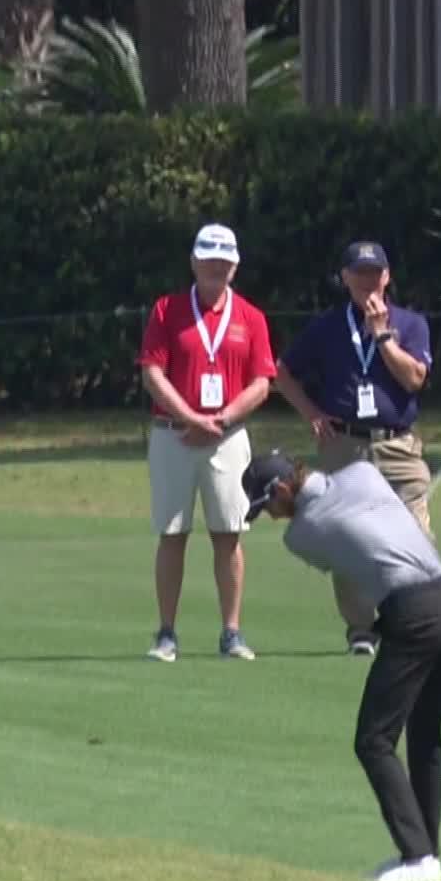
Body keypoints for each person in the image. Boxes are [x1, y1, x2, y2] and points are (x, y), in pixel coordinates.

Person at [241, 448, 441, 881]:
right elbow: (354, 487)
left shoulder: (301, 536)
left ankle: (418, 856)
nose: (272, 518)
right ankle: (428, 856)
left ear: (284, 488)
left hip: (417, 616)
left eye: (268, 506)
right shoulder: (365, 472)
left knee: (373, 740)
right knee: (425, 732)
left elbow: (332, 548)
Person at [272, 240, 436, 657]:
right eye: (359, 274)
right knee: (347, 537)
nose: (368, 282)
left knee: (417, 536)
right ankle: (361, 629)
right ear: (345, 278)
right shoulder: (328, 328)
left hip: (396, 445)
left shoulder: (411, 324)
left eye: (375, 273)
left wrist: (382, 337)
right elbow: (283, 373)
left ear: (387, 277)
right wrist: (311, 412)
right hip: (344, 445)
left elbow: (414, 379)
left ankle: (417, 624)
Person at [136, 222, 276, 662]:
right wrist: (191, 416)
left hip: (227, 438)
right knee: (172, 534)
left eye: (223, 262)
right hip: (173, 435)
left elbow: (262, 381)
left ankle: (231, 633)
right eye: (208, 260)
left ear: (234, 267)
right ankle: (166, 633)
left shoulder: (251, 317)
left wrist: (222, 418)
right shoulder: (166, 309)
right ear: (194, 262)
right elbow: (152, 373)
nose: (215, 268)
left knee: (228, 535)